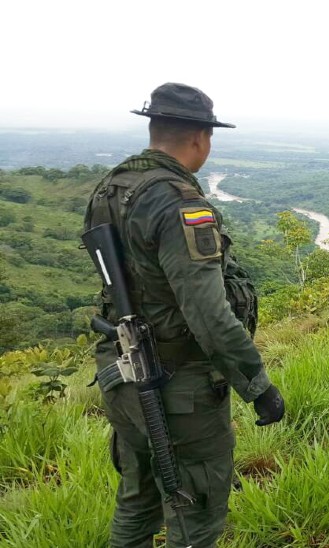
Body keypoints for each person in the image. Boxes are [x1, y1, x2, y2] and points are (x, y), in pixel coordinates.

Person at [83, 83, 285, 547]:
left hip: (121, 372)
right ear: (200, 138)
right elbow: (209, 314)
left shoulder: (111, 187)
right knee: (196, 513)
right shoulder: (179, 202)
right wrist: (257, 386)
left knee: (137, 502)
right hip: (177, 386)